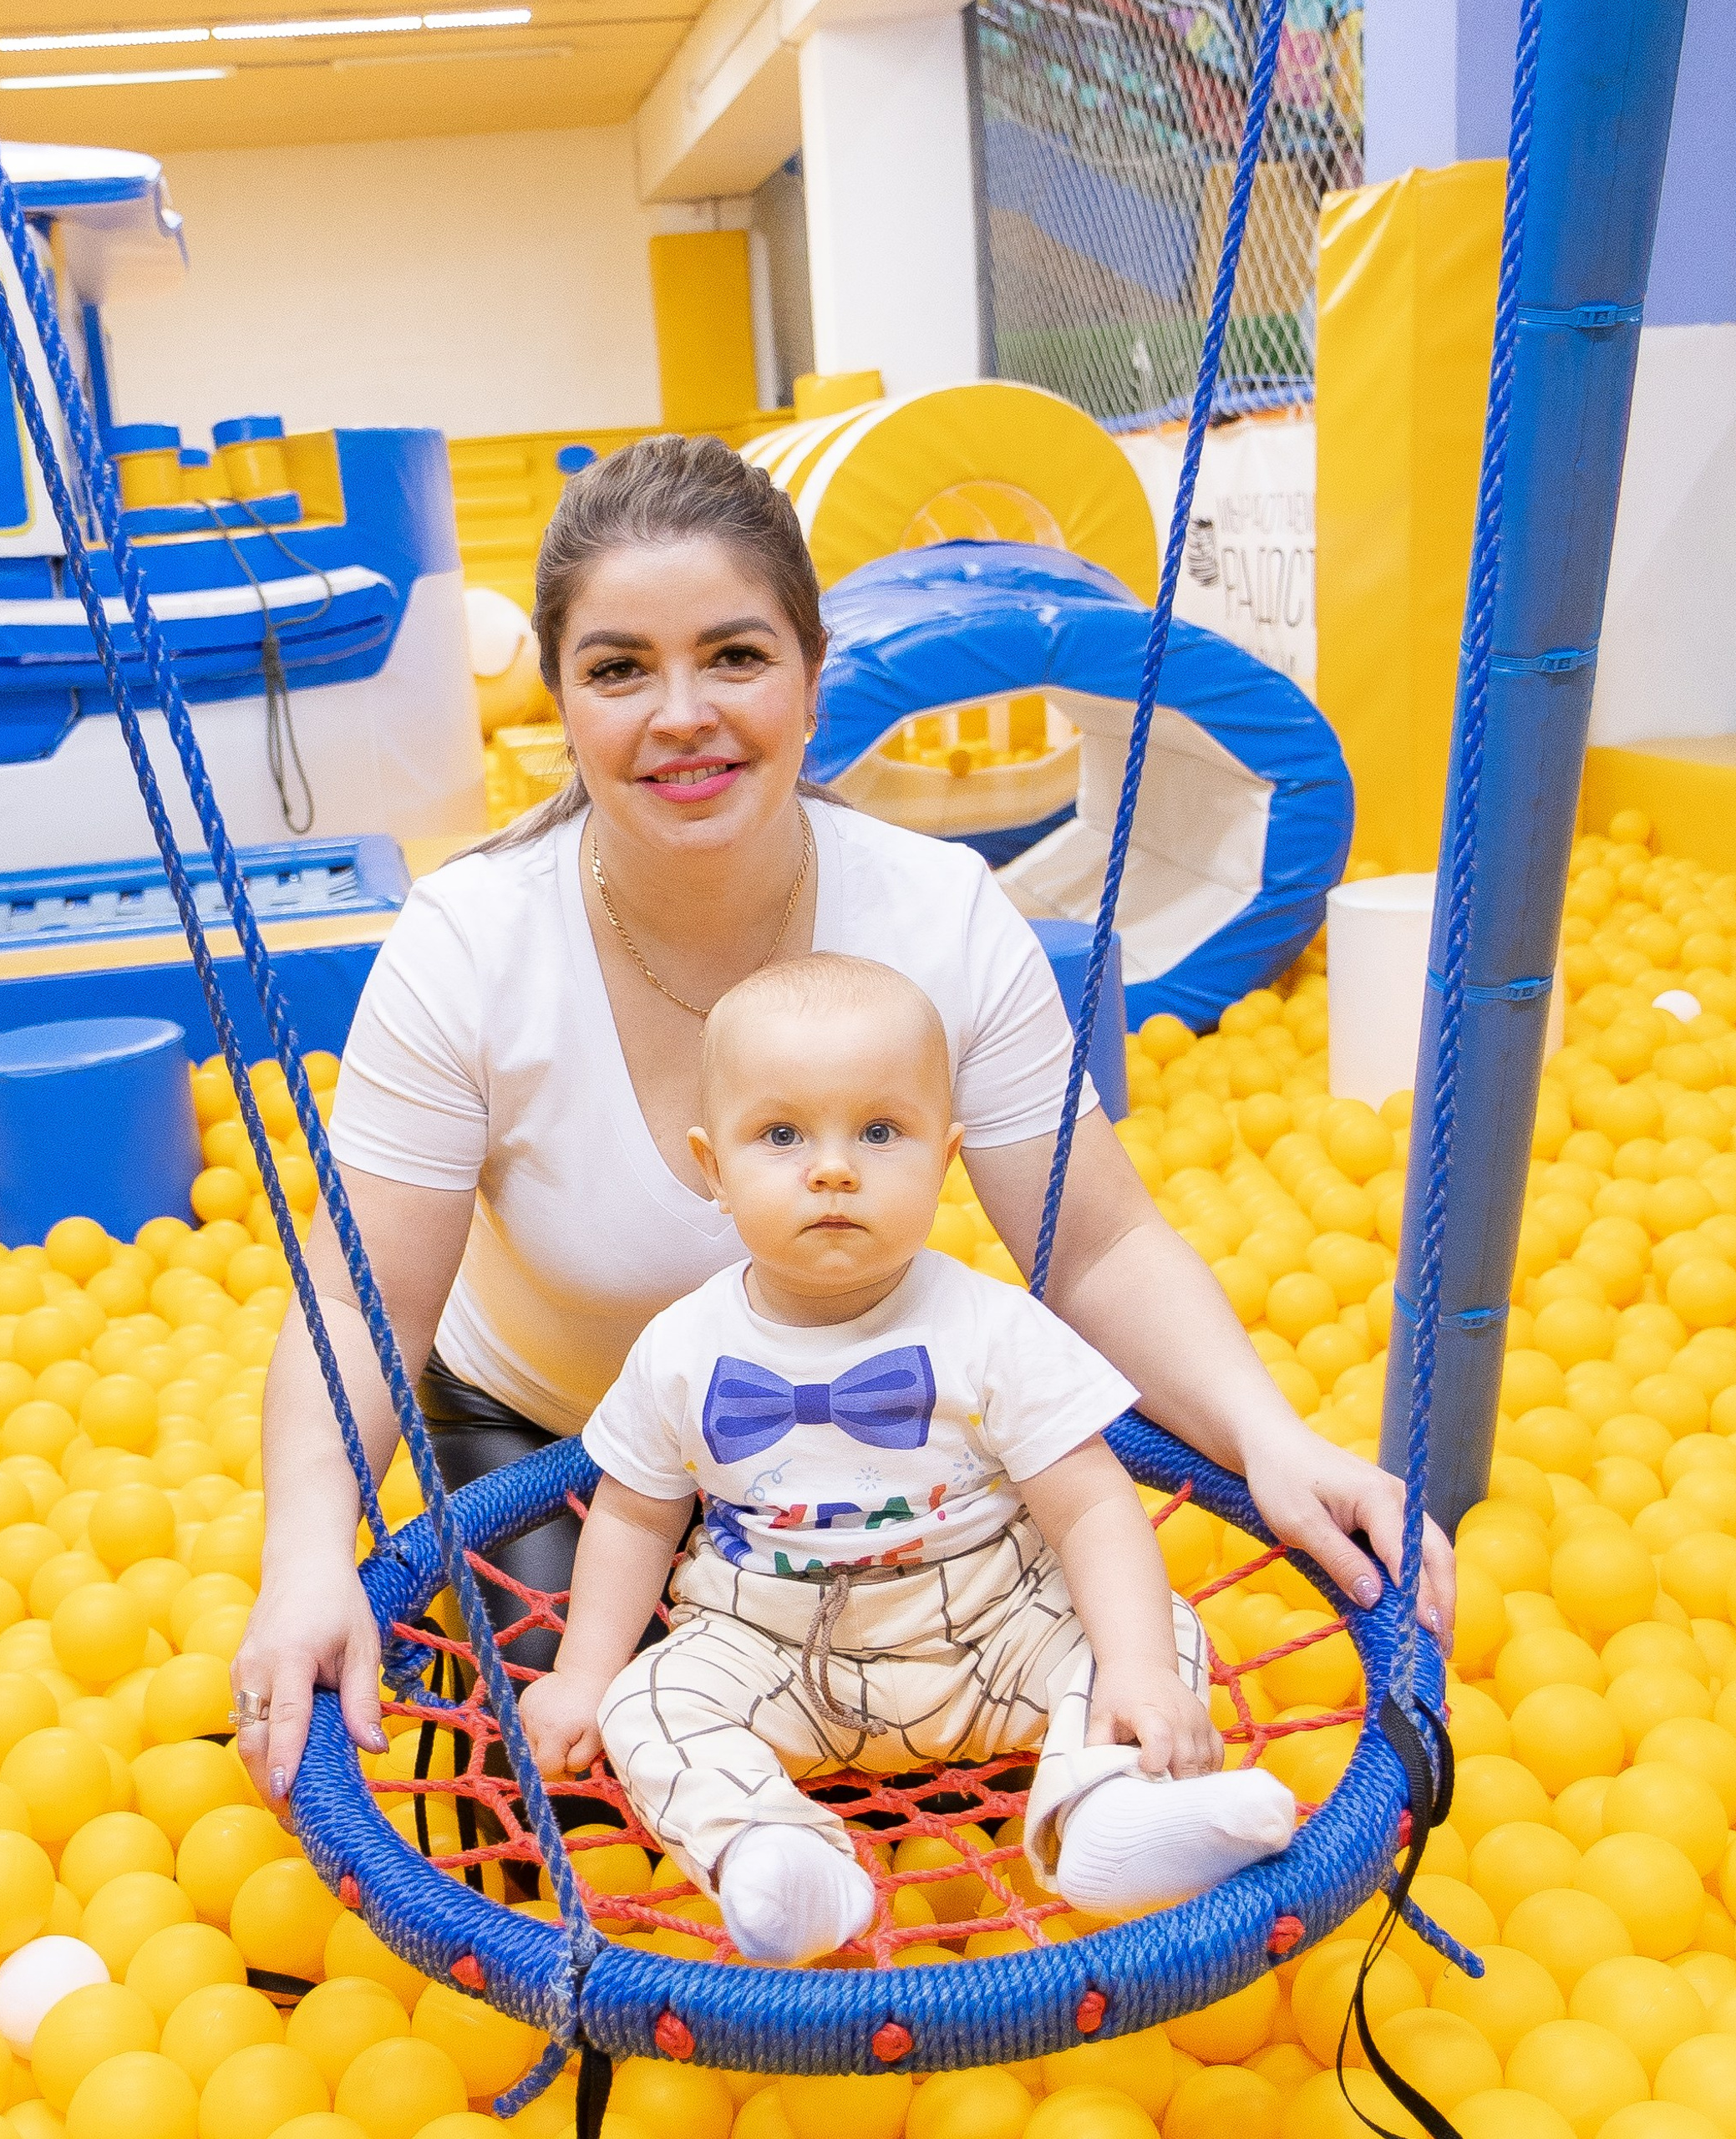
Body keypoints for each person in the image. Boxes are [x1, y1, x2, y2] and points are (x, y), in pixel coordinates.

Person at [228, 433, 1453, 1811]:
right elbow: (360, 1304)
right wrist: (306, 1556)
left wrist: (1267, 1435)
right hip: (559, 1439)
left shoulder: (935, 913)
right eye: (620, 669)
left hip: (887, 1427)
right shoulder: (472, 943)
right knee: (568, 1795)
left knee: (1014, 1746)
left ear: (816, 678)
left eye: (735, 656)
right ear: (560, 701)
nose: (681, 714)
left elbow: (1095, 1245)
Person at [519, 953, 1297, 1963]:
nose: (833, 1169)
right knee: (647, 1703)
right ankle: (779, 1863)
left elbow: (1092, 1506)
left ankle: (1104, 1814)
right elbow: (632, 1515)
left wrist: (1140, 1670)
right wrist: (583, 1671)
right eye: (781, 1135)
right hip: (770, 1647)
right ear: (713, 1169)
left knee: (1156, 1633)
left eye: (880, 1132)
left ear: (945, 1158)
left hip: (991, 1634)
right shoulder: (680, 1348)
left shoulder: (993, 1328)